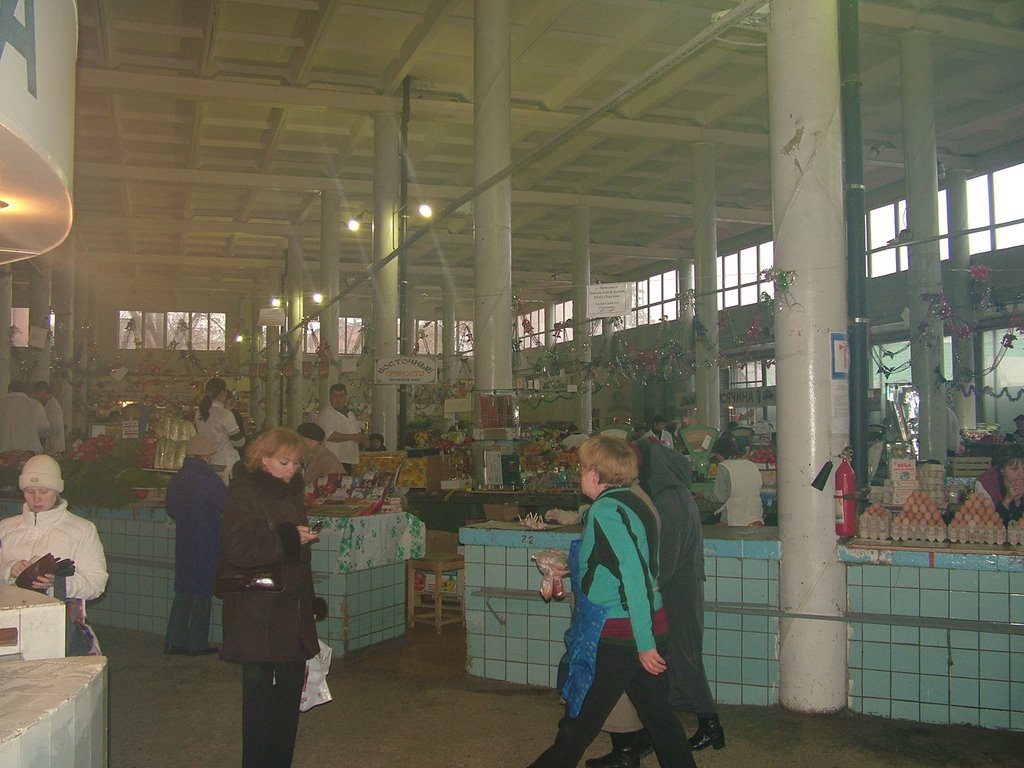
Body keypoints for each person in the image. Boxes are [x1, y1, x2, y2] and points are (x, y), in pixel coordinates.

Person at [528, 435, 695, 768]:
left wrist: (643, 644)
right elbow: (631, 565)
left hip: (622, 634)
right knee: (661, 721)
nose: (579, 474)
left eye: (582, 468)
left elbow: (633, 573)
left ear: (596, 473)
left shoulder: (604, 511)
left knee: (579, 723)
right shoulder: (633, 503)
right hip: (647, 625)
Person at [586, 440, 723, 768]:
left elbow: (662, 561)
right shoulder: (672, 492)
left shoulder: (667, 498)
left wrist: (644, 595)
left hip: (673, 592)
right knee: (662, 679)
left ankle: (710, 724)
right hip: (675, 589)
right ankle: (656, 739)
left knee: (683, 658)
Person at [220, 427, 325, 768]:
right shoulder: (244, 492)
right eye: (283, 462)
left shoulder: (291, 492)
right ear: (262, 459)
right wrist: (288, 538)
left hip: (291, 609)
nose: (290, 469)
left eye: (295, 463)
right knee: (259, 701)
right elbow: (237, 549)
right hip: (257, 611)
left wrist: (309, 604)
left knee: (289, 699)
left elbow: (299, 561)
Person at [0, 455, 109, 652]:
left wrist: (58, 583)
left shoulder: (82, 530)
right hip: (10, 630)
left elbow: (97, 583)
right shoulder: (6, 528)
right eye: (29, 491)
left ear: (57, 490)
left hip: (60, 629)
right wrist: (8, 570)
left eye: (44, 491)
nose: (36, 498)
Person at [164, 434, 226, 656]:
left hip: (185, 541)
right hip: (207, 540)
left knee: (183, 591)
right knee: (202, 592)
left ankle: (174, 641)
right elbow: (226, 504)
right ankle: (197, 644)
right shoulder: (209, 479)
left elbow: (171, 509)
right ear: (205, 456)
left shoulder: (177, 479)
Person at [196, 377, 246, 484]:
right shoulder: (226, 415)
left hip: (207, 462)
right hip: (226, 466)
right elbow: (239, 442)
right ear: (223, 392)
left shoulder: (199, 413)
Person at [711, 435, 763, 526]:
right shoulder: (751, 464)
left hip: (735, 521)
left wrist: (703, 494)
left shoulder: (724, 466)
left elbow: (720, 497)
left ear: (719, 454)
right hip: (756, 519)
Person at [317, 383, 367, 472]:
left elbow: (357, 433)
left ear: (345, 398)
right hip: (333, 461)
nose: (338, 399)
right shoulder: (326, 414)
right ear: (330, 397)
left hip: (349, 460)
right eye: (335, 395)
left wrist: (363, 439)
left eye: (341, 396)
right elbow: (330, 435)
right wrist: (351, 437)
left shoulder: (349, 413)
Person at [974, 443, 1024, 524]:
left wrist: (1018, 501)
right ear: (1001, 469)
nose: (1021, 475)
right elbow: (990, 524)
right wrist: (1008, 500)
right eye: (1014, 469)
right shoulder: (985, 484)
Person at [0, 381, 50, 454]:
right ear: (25, 391)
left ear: (9, 390)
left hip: (3, 451)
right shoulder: (36, 405)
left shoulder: (1, 405)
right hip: (29, 450)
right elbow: (44, 427)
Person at [296, 422, 346, 486]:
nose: (297, 443)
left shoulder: (329, 461)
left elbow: (332, 487)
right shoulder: (306, 456)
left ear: (311, 442)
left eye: (300, 440)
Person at [32, 381, 66, 455]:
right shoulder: (49, 404)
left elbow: (55, 428)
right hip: (52, 446)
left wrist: (42, 433)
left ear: (43, 391)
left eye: (37, 393)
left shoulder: (52, 407)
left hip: (55, 447)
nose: (36, 396)